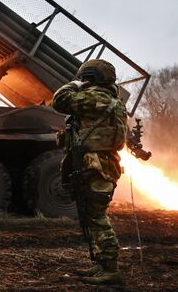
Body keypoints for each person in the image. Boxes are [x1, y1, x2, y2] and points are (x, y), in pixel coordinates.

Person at [51, 59, 128, 285]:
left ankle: (111, 269)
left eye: (86, 78)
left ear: (91, 77)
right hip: (103, 164)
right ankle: (101, 264)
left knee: (96, 217)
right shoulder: (115, 102)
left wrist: (75, 84)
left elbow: (59, 100)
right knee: (91, 215)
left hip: (95, 165)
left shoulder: (94, 98)